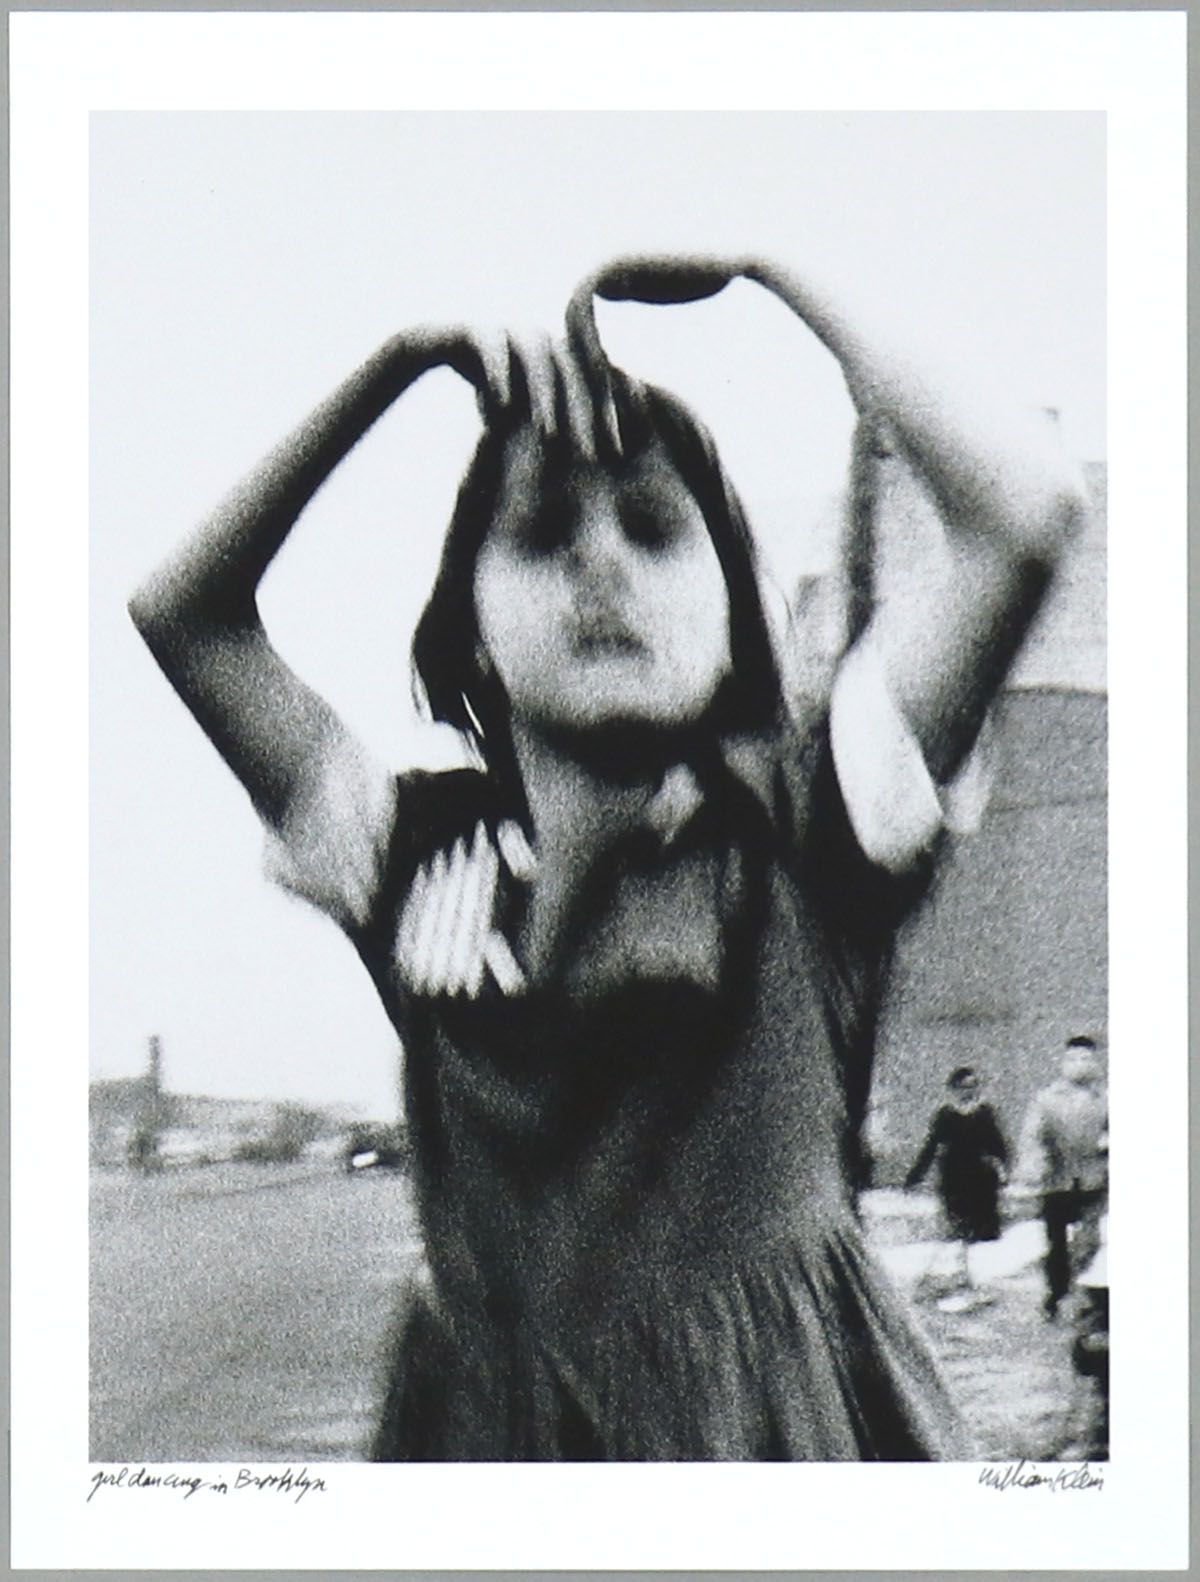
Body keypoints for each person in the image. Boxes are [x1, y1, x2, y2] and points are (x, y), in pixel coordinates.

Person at [129, 251, 1085, 1460]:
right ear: (467, 628)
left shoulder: (810, 824)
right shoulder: (415, 861)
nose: (601, 564)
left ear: (738, 609)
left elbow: (1028, 519)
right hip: (493, 1445)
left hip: (783, 1448)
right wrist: (399, 359)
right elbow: (183, 613)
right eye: (538, 533)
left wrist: (775, 262)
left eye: (652, 527)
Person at [1018, 1035, 1108, 1320]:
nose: (1079, 1065)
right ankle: (1056, 1294)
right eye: (1073, 1059)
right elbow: (1032, 1136)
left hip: (1093, 1178)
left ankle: (1085, 1295)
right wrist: (1036, 1165)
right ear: (1062, 1061)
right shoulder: (1047, 1099)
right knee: (1056, 1242)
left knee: (1089, 1239)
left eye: (1086, 1058)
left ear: (1095, 1062)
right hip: (1057, 1179)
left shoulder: (1105, 1098)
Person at [905, 1066, 1009, 1311]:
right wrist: (915, 1176)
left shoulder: (985, 1114)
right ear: (953, 1090)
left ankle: (970, 1280)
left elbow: (999, 1145)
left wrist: (1003, 1169)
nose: (968, 1092)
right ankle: (957, 1280)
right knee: (957, 1230)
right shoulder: (945, 1116)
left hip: (981, 1181)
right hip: (954, 1179)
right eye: (963, 1087)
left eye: (973, 1086)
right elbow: (930, 1147)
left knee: (977, 1234)